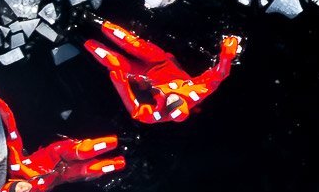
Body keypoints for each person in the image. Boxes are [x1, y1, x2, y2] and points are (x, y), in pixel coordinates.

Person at [0, 98, 124, 192]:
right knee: (92, 169)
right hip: (65, 173)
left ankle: (120, 140)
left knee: (85, 150)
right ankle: (122, 161)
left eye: (20, 187)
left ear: (16, 182)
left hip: (59, 153)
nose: (25, 189)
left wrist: (4, 109)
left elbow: (13, 134)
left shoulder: (16, 164)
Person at [83, 20, 240, 124]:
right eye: (176, 102)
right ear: (184, 101)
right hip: (160, 62)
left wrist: (121, 84)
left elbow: (137, 112)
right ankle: (93, 20)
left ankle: (81, 36)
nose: (171, 100)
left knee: (111, 61)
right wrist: (227, 54)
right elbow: (221, 74)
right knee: (132, 43)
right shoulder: (198, 92)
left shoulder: (160, 114)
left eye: (170, 106)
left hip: (142, 76)